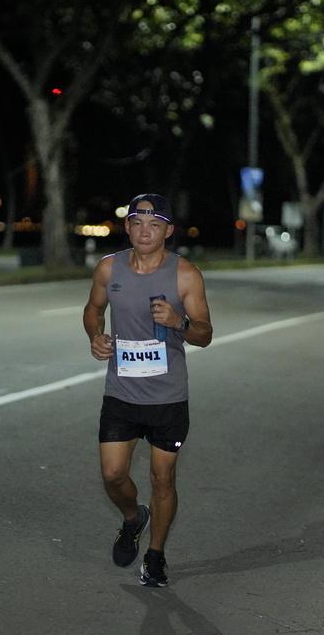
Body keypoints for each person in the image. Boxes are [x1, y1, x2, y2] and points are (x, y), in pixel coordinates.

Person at [82, 193, 213, 588]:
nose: (144, 231)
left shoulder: (185, 275)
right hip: (121, 391)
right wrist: (95, 336)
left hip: (167, 397)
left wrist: (179, 322)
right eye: (137, 223)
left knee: (163, 479)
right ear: (127, 226)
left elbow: (204, 334)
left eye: (154, 225)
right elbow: (93, 309)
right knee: (112, 475)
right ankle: (132, 517)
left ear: (168, 231)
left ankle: (155, 556)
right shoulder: (109, 268)